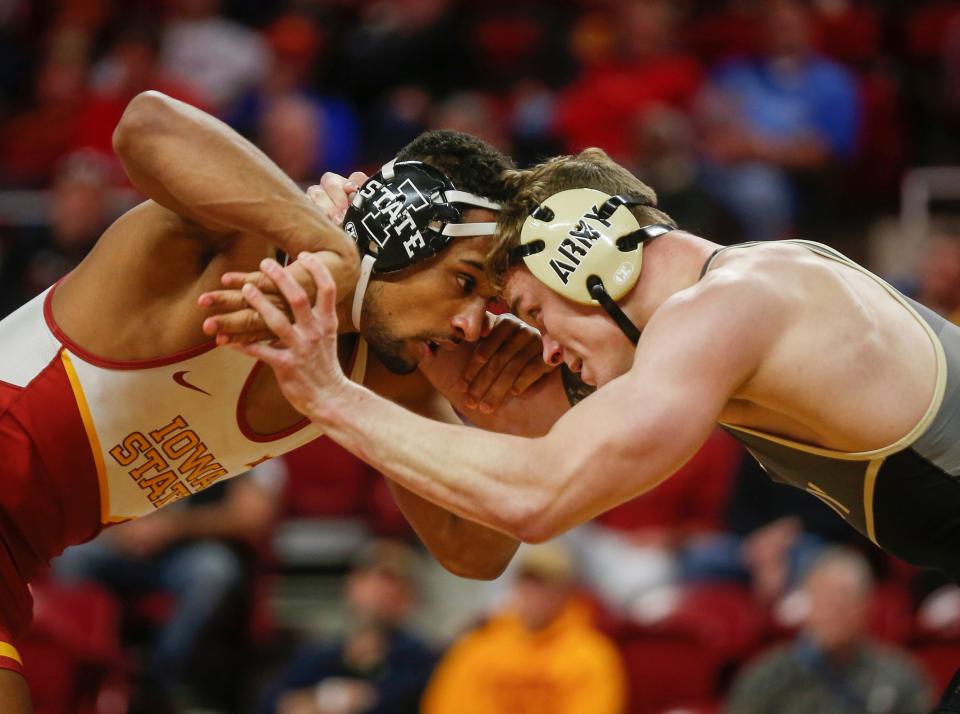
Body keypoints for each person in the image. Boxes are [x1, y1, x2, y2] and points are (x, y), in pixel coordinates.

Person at [232, 146, 960, 712]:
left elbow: (540, 498)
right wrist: (372, 251)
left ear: (583, 253)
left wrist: (328, 394)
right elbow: (499, 502)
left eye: (532, 308)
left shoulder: (729, 310)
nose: (542, 344)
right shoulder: (732, 305)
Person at [0, 92, 572, 713]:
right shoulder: (247, 241)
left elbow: (475, 552)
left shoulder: (382, 374)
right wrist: (328, 247)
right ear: (402, 232)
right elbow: (144, 123)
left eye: (486, 303)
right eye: (464, 282)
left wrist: (512, 414)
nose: (469, 324)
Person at [421, 541, 626, 714]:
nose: (534, 596)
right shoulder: (480, 645)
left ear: (565, 594)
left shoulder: (591, 653)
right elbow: (448, 705)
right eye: (528, 585)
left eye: (545, 587)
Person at [726, 547, 932, 714]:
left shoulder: (897, 676)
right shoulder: (769, 674)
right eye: (825, 601)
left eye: (845, 602)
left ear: (866, 608)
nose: (835, 613)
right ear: (807, 606)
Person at [258, 540, 436, 714]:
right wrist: (325, 699)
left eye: (395, 584)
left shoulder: (418, 660)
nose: (382, 591)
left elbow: (400, 698)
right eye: (372, 579)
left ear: (409, 598)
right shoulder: (320, 653)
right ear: (352, 585)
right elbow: (273, 700)